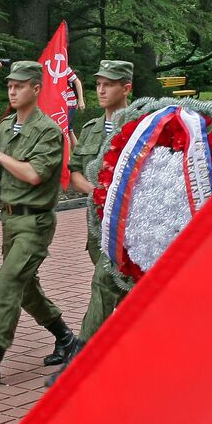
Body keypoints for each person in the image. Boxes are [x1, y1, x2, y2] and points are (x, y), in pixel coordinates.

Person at [0, 60, 77, 394]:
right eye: (9, 85)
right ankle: (67, 339)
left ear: (36, 89)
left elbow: (34, 174)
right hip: (10, 220)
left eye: (20, 85)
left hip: (35, 221)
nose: (12, 90)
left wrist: (1, 158)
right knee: (25, 289)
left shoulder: (48, 131)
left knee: (7, 285)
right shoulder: (8, 126)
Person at [47, 60, 134, 387]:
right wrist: (97, 191)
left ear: (126, 88)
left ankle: (79, 359)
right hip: (97, 226)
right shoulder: (90, 129)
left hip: (127, 228)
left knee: (103, 284)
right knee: (124, 293)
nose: (100, 89)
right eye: (98, 83)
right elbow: (75, 172)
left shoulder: (140, 126)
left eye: (108, 84)